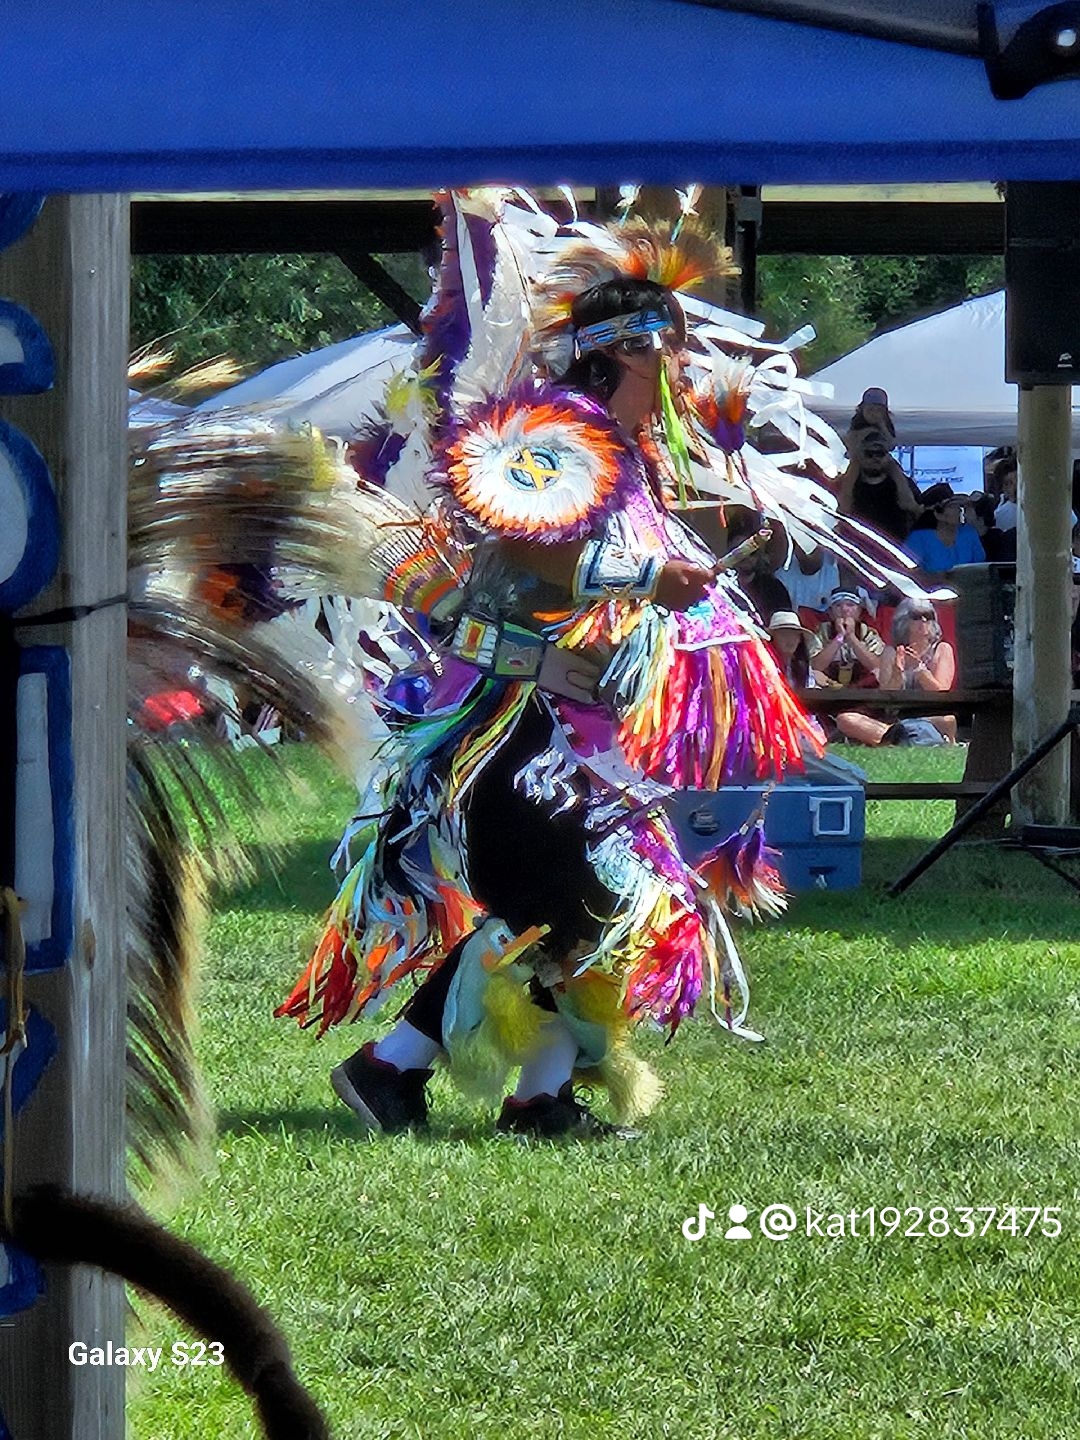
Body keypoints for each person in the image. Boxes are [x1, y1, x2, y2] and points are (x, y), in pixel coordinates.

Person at [277, 204, 824, 1140]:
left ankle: (525, 1096)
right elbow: (520, 543)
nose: (684, 367)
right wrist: (645, 574)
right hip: (509, 720)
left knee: (598, 902)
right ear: (623, 350)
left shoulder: (634, 458)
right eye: (671, 349)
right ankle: (400, 1070)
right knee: (563, 900)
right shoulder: (557, 425)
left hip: (579, 728)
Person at [811, 587, 886, 745]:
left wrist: (851, 638)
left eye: (850, 605)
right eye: (838, 606)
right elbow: (816, 666)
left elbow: (877, 666)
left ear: (859, 611)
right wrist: (839, 638)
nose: (845, 610)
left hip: (862, 696)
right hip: (829, 695)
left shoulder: (868, 634)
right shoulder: (821, 632)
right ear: (831, 612)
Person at [877, 598, 957, 743]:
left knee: (947, 720)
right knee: (847, 719)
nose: (924, 621)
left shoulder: (942, 649)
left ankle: (893, 739)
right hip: (898, 716)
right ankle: (899, 735)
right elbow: (886, 697)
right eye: (916, 617)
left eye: (928, 616)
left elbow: (941, 693)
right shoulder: (890, 652)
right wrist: (897, 673)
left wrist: (919, 669)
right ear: (903, 620)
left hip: (932, 715)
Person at [903, 483, 985, 575]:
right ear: (938, 514)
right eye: (952, 507)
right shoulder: (918, 539)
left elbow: (980, 568)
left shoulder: (969, 533)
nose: (958, 510)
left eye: (958, 507)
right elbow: (909, 573)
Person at [767, 610, 819, 688]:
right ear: (772, 637)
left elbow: (811, 690)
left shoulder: (802, 666)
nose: (790, 639)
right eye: (784, 634)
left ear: (800, 640)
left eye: (794, 635)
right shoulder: (764, 664)